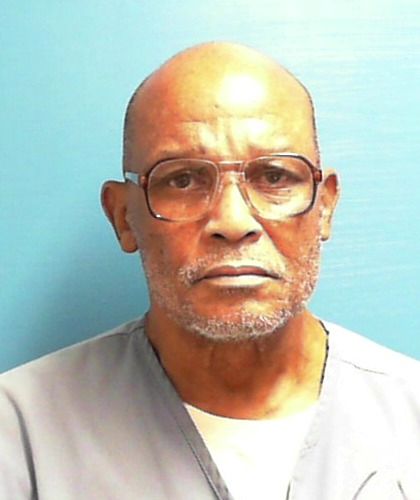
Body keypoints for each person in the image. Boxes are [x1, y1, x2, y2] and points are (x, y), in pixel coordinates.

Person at [0, 42, 419, 500]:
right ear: (123, 217)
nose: (234, 222)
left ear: (325, 208)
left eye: (275, 176)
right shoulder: (19, 438)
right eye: (182, 180)